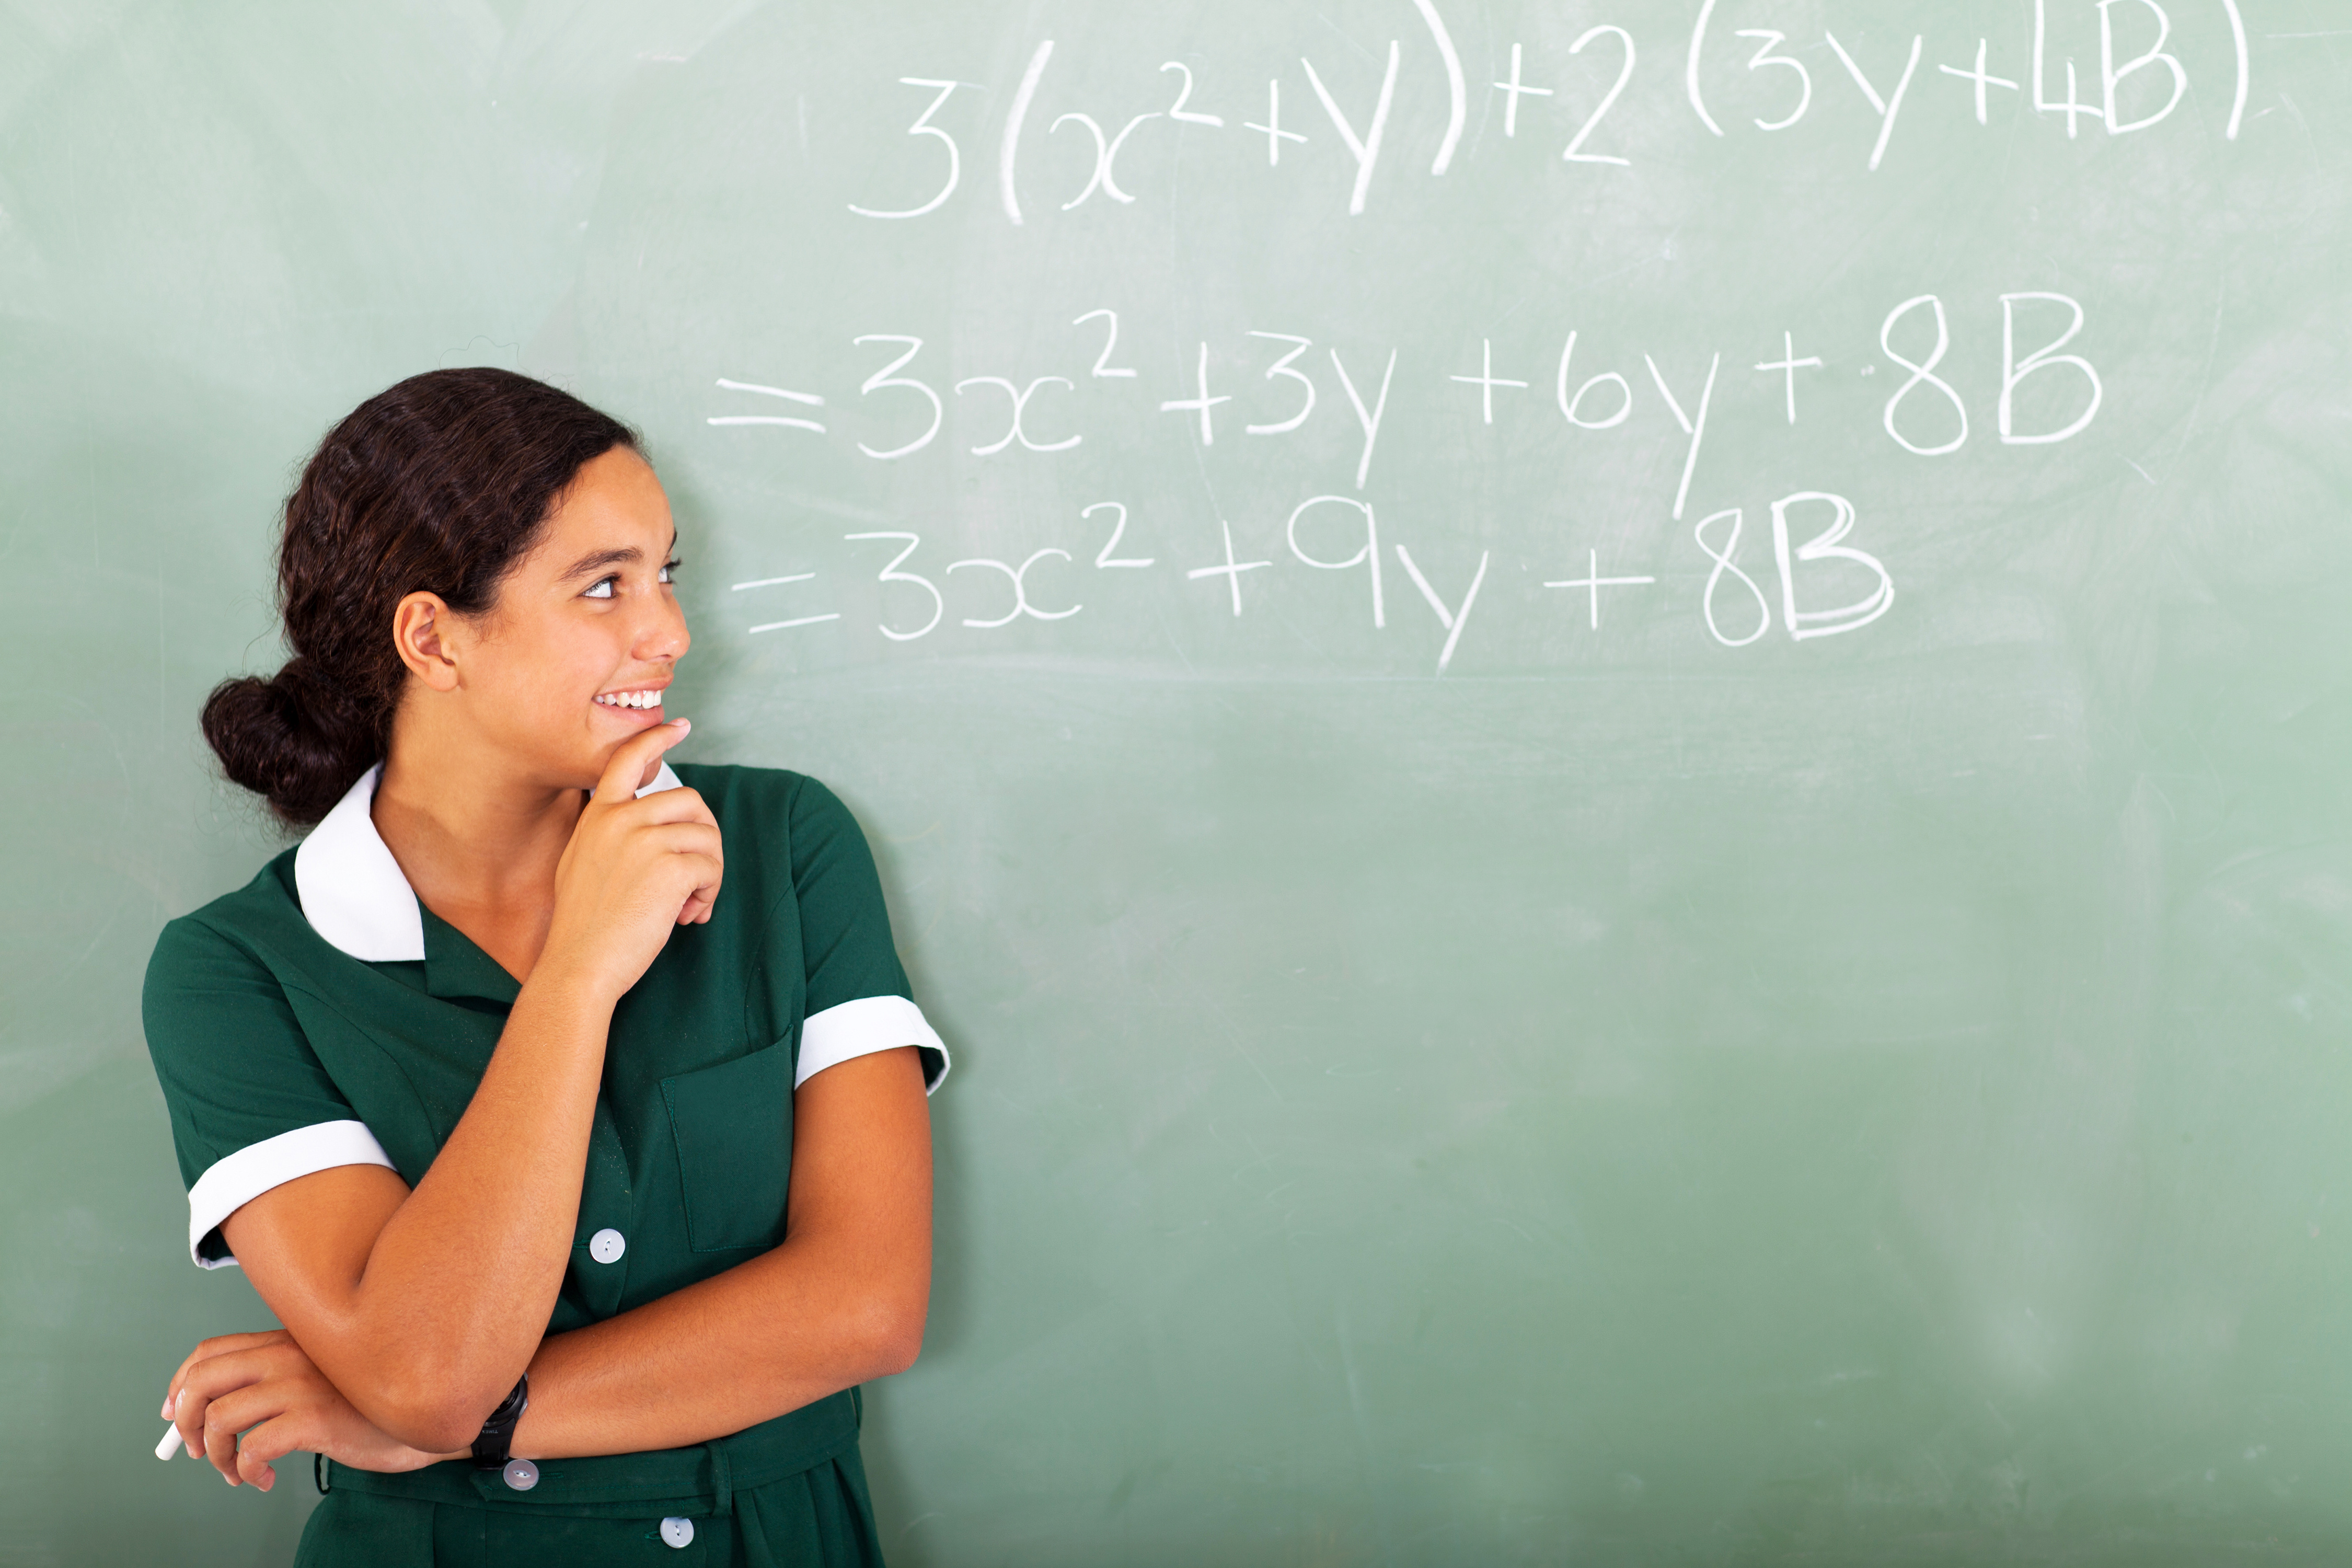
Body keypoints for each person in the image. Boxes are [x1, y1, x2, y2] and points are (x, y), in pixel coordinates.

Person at [142, 367, 946, 1565]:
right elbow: (427, 1366)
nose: (670, 634)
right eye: (604, 585)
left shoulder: (783, 847)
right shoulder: (235, 974)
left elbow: (866, 1305)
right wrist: (578, 973)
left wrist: (461, 1424)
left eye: (664, 574)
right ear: (434, 638)